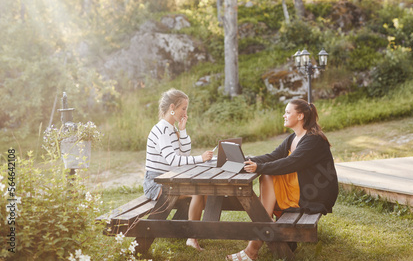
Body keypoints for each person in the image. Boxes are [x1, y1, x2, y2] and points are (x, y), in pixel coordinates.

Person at [226, 99, 339, 261]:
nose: (283, 115)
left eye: (287, 112)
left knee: (266, 178)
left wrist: (259, 167)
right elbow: (272, 156)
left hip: (313, 194)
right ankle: (263, 225)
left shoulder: (313, 140)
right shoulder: (294, 138)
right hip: (301, 187)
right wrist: (247, 160)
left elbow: (290, 164)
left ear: (300, 116)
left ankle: (254, 246)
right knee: (266, 180)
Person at [143, 88, 213, 251]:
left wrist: (182, 130)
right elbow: (174, 161)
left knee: (204, 191)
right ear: (172, 107)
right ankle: (192, 236)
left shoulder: (172, 128)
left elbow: (184, 152)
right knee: (198, 191)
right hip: (156, 183)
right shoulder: (162, 130)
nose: (185, 112)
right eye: (183, 108)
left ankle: (191, 231)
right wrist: (201, 158)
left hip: (170, 179)